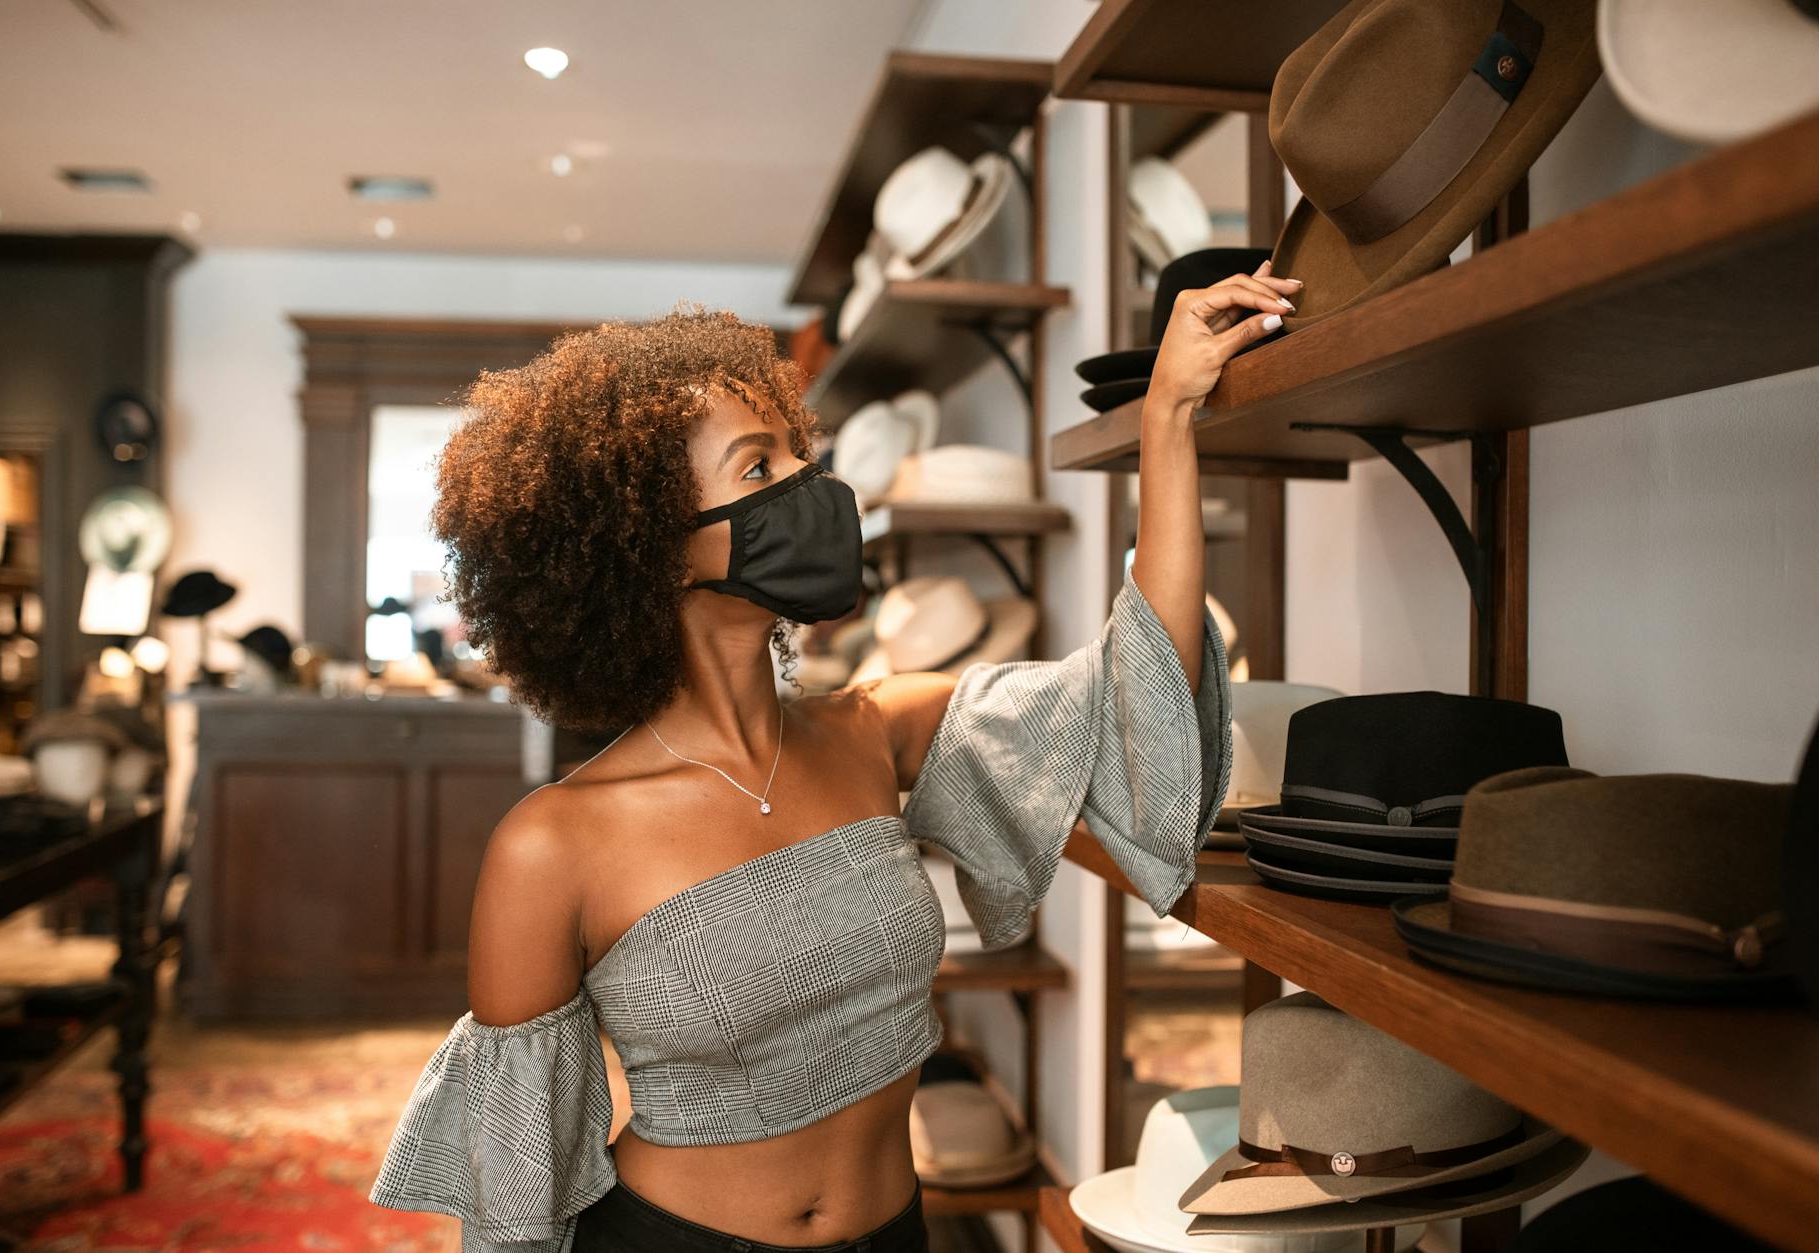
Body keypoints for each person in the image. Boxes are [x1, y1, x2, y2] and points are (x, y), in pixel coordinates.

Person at [369, 264, 1298, 1252]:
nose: (814, 491)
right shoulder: (551, 843)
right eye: (759, 469)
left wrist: (1166, 419)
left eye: (798, 457)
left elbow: (1132, 694)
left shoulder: (873, 731)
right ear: (653, 544)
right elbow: (515, 1193)